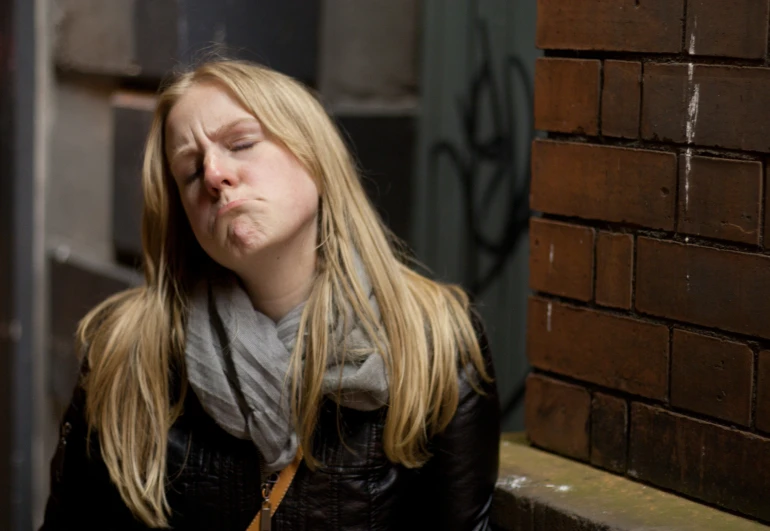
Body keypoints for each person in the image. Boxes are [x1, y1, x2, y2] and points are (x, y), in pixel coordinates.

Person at [40, 59, 500, 530]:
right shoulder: (126, 350)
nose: (216, 174)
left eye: (241, 144)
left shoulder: (435, 341)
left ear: (314, 154)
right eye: (191, 173)